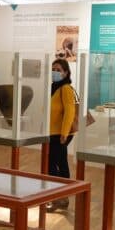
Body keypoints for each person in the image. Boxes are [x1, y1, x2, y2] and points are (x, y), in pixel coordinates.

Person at [46, 58, 77, 212]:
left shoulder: (65, 88)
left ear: (65, 73)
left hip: (59, 134)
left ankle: (58, 197)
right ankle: (62, 198)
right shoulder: (53, 87)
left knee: (54, 166)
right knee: (59, 164)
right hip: (52, 133)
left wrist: (64, 133)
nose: (55, 72)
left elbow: (70, 111)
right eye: (53, 69)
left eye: (58, 70)